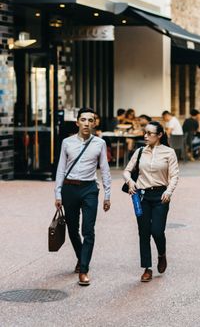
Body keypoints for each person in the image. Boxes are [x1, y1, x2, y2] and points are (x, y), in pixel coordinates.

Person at [54, 107, 112, 286]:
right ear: (77, 122)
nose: (87, 123)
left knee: (88, 230)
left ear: (94, 123)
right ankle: (81, 256)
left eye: (91, 120)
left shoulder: (99, 143)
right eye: (84, 120)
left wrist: (107, 195)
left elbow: (105, 169)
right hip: (70, 189)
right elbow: (61, 169)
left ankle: (84, 269)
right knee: (72, 229)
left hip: (89, 190)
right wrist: (58, 193)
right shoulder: (67, 142)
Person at [123, 121, 179, 283]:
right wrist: (130, 182)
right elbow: (127, 171)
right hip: (142, 196)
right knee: (144, 232)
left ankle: (161, 254)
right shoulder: (140, 151)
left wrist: (169, 191)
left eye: (149, 133)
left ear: (159, 135)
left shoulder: (169, 153)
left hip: (161, 196)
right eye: (145, 133)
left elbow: (174, 175)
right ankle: (147, 268)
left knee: (157, 231)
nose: (145, 136)